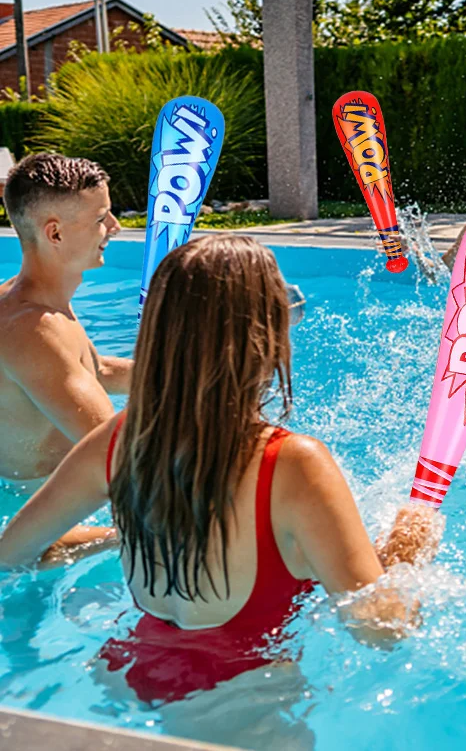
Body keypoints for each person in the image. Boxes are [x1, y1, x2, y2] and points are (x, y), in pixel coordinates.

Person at [0, 234, 443, 702]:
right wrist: (408, 549)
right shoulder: (293, 464)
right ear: (265, 337)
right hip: (240, 704)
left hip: (122, 676)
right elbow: (380, 629)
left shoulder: (120, 441)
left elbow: (11, 556)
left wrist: (134, 532)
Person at [0, 153, 131, 481]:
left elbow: (94, 371)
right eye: (101, 219)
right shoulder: (34, 331)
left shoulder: (33, 303)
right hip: (38, 518)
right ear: (55, 234)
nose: (115, 227)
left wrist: (193, 372)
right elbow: (118, 456)